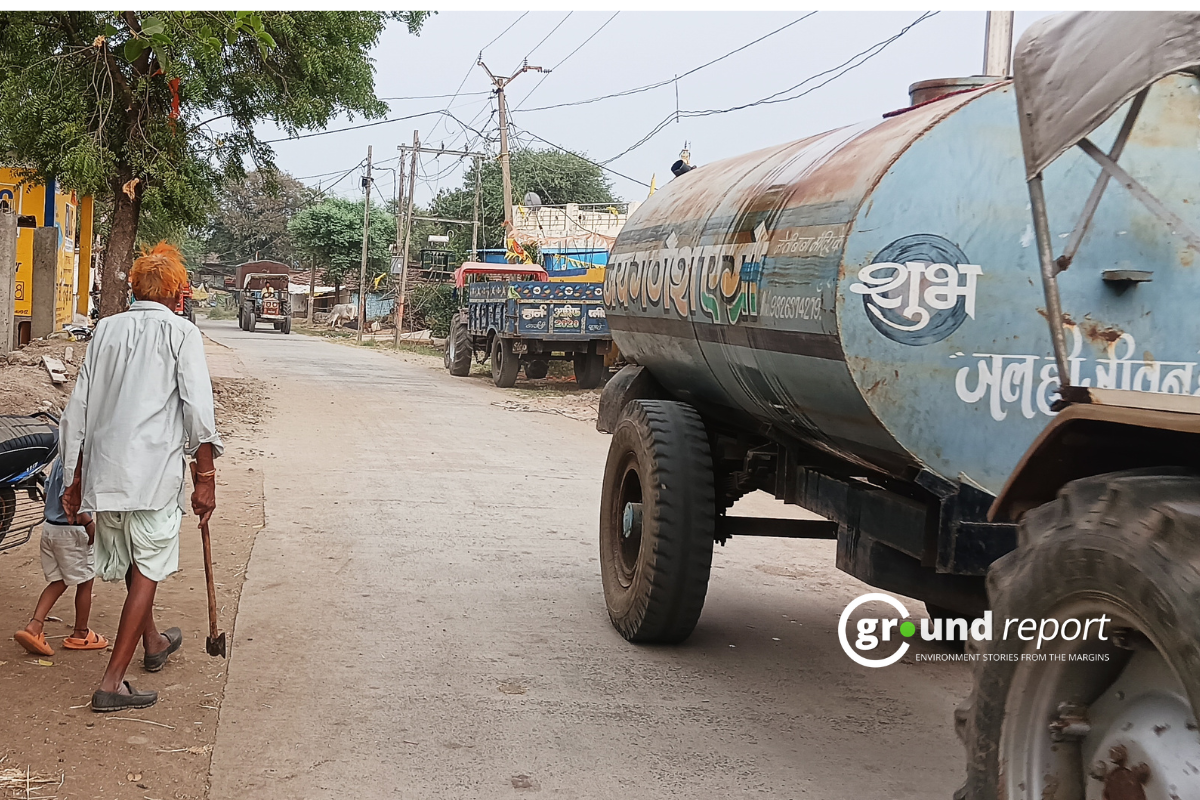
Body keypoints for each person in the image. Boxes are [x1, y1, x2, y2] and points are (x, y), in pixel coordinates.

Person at [60, 241, 222, 713]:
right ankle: (112, 683)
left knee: (136, 557)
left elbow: (79, 411)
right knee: (149, 566)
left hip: (105, 473)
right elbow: (198, 409)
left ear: (133, 287)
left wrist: (74, 479)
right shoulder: (181, 334)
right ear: (176, 293)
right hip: (152, 476)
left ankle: (152, 642)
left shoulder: (105, 330)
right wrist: (205, 476)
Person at [12, 458, 108, 656]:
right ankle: (81, 633)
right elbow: (73, 494)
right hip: (72, 529)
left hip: (50, 529)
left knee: (59, 580)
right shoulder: (83, 458)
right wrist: (88, 522)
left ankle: (35, 626)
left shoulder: (60, 459)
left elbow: (48, 493)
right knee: (86, 581)